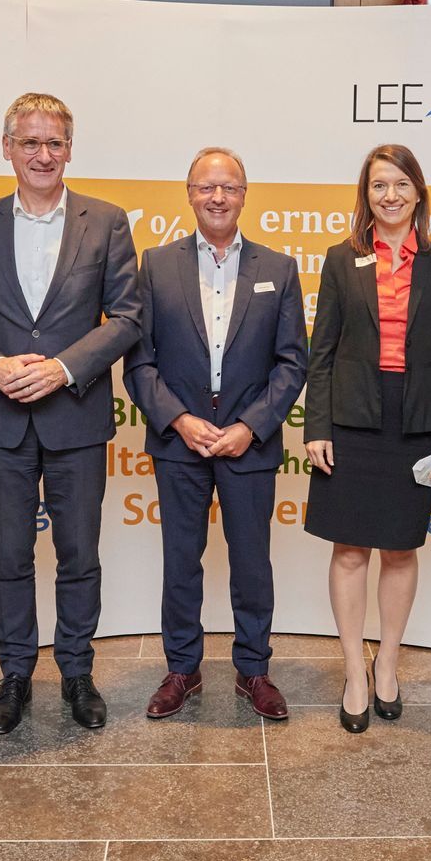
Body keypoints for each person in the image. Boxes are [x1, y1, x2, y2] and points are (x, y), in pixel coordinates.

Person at [0, 92, 141, 734]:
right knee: (8, 555)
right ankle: (14, 674)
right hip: (3, 419)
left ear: (69, 149)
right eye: (30, 142)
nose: (43, 154)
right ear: (7, 148)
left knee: (78, 554)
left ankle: (77, 672)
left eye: (54, 143)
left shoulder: (107, 221)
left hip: (76, 416)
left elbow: (127, 317)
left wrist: (63, 368)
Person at [124, 148, 308, 720]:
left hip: (248, 443)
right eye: (206, 187)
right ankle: (182, 669)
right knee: (181, 560)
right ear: (189, 194)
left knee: (252, 562)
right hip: (180, 441)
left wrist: (250, 426)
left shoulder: (278, 268)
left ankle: (254, 670)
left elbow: (292, 363)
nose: (218, 197)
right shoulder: (156, 265)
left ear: (245, 195)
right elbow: (139, 362)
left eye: (229, 187)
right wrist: (180, 419)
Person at [303, 144, 431, 735]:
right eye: (378, 186)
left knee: (399, 549)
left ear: (418, 191)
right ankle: (354, 670)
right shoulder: (341, 259)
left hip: (415, 422)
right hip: (351, 420)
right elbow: (322, 353)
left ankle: (388, 662)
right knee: (349, 550)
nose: (390, 195)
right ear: (365, 195)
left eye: (400, 184)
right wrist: (316, 426)